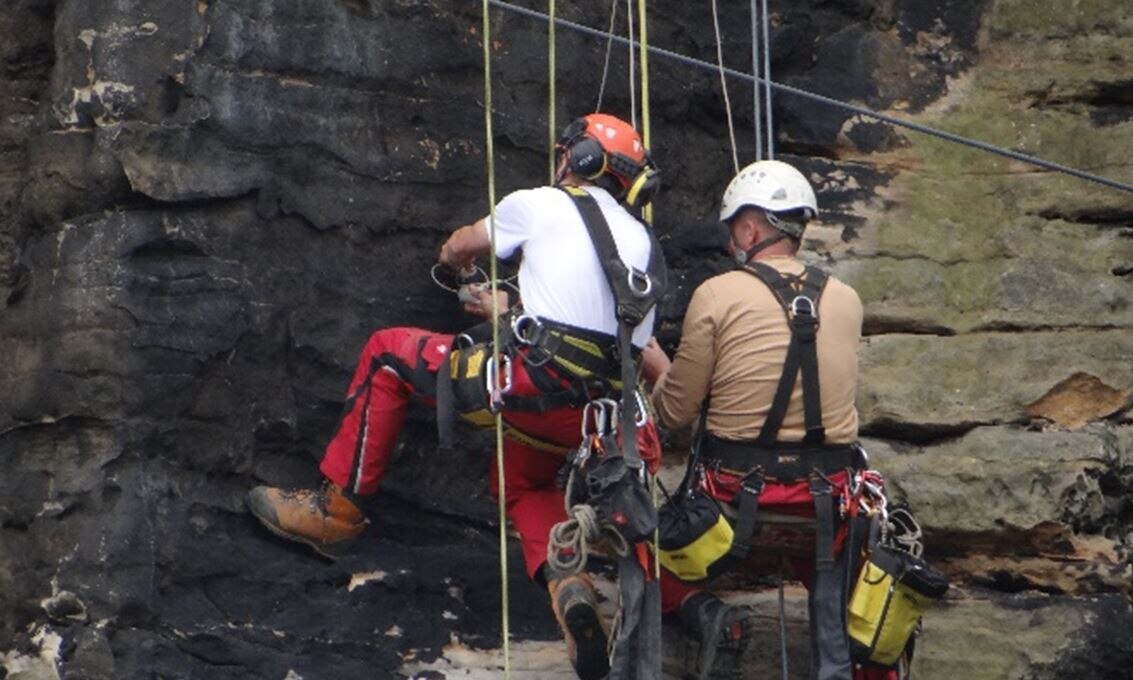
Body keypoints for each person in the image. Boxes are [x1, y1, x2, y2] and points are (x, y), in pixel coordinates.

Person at [247, 113, 682, 680]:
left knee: (387, 352)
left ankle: (337, 512)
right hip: (597, 418)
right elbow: (636, 352)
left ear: (577, 160)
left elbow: (459, 245)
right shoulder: (645, 247)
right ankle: (569, 584)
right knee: (520, 480)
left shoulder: (541, 203)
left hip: (529, 384)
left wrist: (462, 269)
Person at [642, 160, 894, 680]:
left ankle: (700, 618)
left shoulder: (717, 293)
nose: (733, 239)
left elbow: (674, 412)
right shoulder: (846, 300)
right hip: (827, 502)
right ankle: (837, 668)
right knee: (837, 555)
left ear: (752, 228)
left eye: (736, 227)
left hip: (730, 503)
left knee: (634, 537)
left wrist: (657, 366)